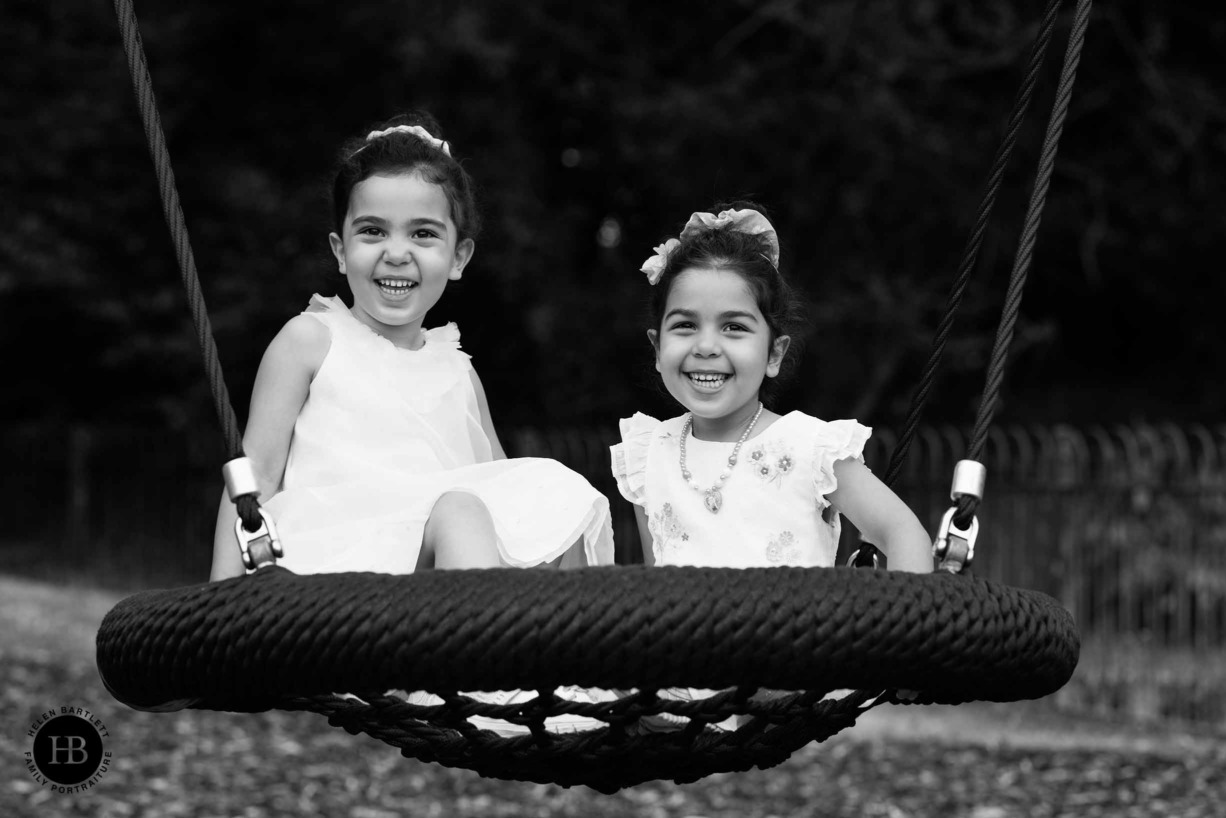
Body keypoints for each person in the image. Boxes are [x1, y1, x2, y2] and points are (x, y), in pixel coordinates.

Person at [209, 112, 614, 582]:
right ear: (341, 251)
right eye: (373, 231)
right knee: (461, 510)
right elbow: (253, 474)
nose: (396, 252)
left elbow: (502, 489)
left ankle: (561, 638)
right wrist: (220, 600)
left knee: (545, 495)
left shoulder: (457, 371)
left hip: (431, 569)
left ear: (458, 256)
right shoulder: (312, 340)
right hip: (333, 560)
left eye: (422, 233)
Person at [612, 204, 933, 573]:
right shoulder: (648, 455)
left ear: (774, 353)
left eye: (733, 327)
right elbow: (654, 590)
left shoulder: (811, 449)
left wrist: (907, 626)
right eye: (685, 325)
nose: (705, 346)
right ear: (657, 347)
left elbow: (903, 533)